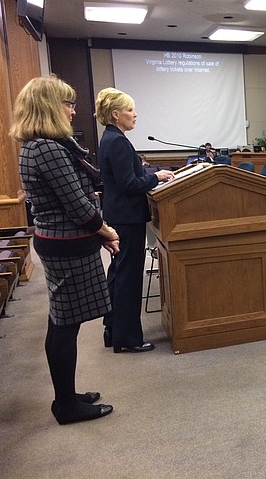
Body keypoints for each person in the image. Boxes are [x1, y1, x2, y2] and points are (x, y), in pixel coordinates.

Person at [11, 76, 118, 425]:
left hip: (59, 241)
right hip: (67, 245)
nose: (73, 110)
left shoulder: (39, 145)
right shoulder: (48, 148)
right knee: (65, 324)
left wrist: (98, 231)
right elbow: (77, 205)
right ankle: (66, 406)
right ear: (48, 107)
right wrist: (105, 231)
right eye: (67, 103)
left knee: (61, 323)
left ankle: (66, 396)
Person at [96, 88, 175, 353]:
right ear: (116, 114)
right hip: (126, 217)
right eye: (130, 110)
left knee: (119, 272)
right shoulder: (117, 141)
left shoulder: (110, 137)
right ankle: (127, 338)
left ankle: (114, 329)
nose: (135, 114)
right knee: (128, 277)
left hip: (119, 215)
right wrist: (156, 177)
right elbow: (129, 184)